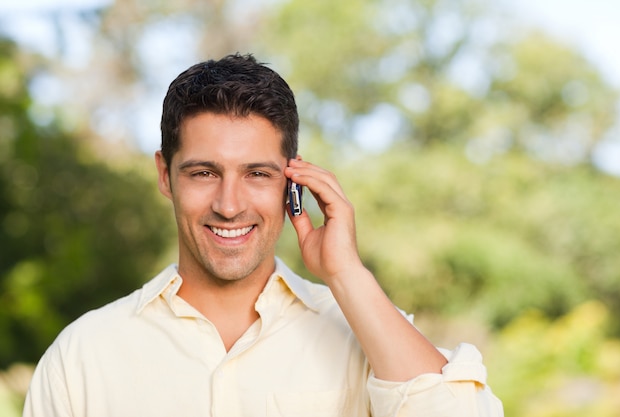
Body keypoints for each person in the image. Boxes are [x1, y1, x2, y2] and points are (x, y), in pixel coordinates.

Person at [23, 53, 503, 416]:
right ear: (165, 176)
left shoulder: (361, 332)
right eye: (204, 173)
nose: (229, 205)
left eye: (257, 173)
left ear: (292, 183)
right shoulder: (84, 354)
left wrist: (346, 273)